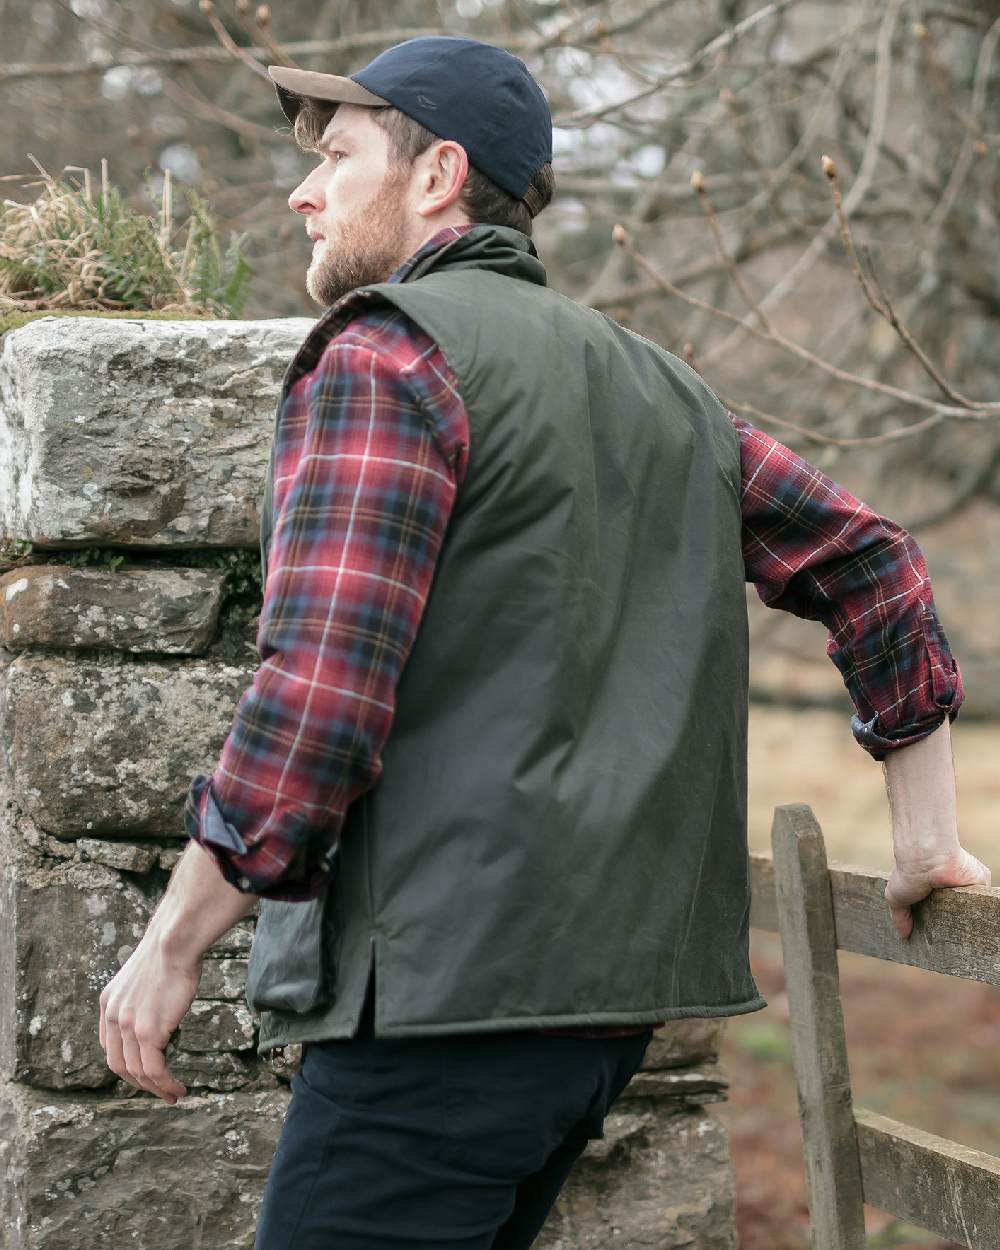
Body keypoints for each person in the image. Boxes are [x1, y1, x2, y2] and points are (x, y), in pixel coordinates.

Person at [98, 35, 991, 1250]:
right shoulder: (671, 391)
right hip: (602, 1021)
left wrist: (168, 945)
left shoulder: (386, 357)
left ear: (436, 176)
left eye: (340, 157)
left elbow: (318, 691)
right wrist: (925, 834)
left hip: (440, 1013)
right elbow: (872, 561)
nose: (303, 192)